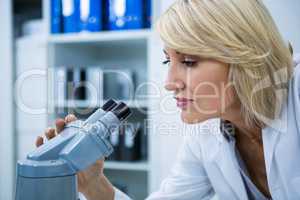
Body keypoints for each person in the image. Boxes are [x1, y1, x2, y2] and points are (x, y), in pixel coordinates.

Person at [36, 0, 300, 199]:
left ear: (245, 57)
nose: (169, 82)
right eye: (167, 60)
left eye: (188, 61)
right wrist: (95, 185)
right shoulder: (207, 132)